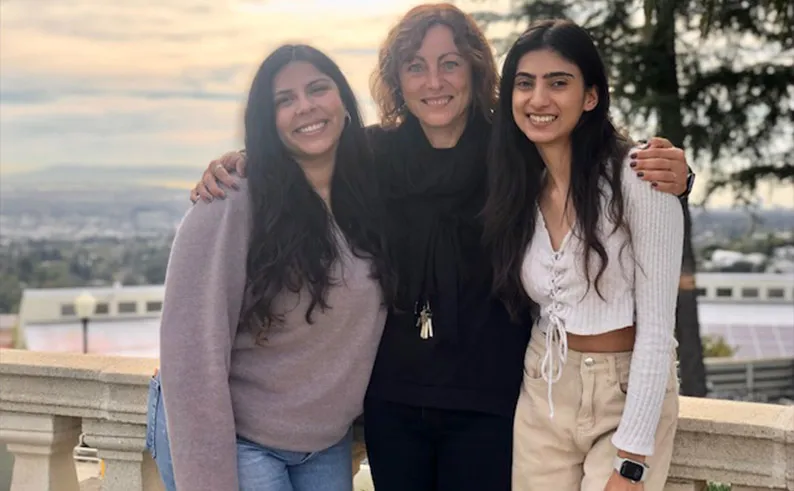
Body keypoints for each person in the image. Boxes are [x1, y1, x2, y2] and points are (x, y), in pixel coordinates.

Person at [174, 4, 692, 490]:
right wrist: (238, 161)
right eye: (415, 67)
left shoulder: (512, 149)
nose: (434, 82)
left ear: (475, 70)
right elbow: (306, 147)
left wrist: (678, 177)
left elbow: (587, 160)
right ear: (397, 80)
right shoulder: (370, 156)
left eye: (450, 64)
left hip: (491, 399)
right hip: (394, 399)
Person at [150, 43, 394, 491]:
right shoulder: (231, 200)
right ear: (268, 121)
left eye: (317, 89)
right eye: (285, 100)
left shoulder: (369, 193)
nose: (305, 106)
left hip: (324, 442)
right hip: (241, 440)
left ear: (343, 100)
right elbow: (191, 355)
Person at [482, 19, 684, 491]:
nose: (538, 99)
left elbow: (658, 331)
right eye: (524, 84)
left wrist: (632, 460)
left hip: (624, 392)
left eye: (558, 83)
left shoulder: (639, 178)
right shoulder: (518, 186)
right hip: (545, 387)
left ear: (590, 96)